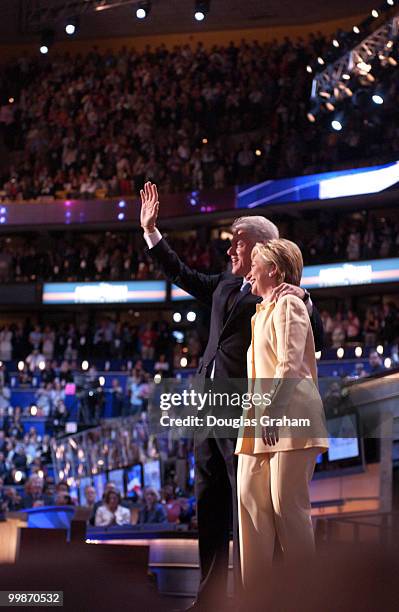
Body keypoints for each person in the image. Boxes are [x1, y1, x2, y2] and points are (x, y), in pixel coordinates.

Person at [140, 182, 324, 610]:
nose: (229, 250)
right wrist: (152, 233)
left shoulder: (281, 294)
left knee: (256, 507)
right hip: (208, 408)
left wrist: (306, 295)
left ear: (262, 245)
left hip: (247, 410)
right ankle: (208, 600)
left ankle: (262, 596)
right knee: (212, 503)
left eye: (236, 242)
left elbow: (305, 322)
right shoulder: (225, 285)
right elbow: (181, 274)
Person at [235, 239, 328, 593]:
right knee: (250, 504)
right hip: (259, 422)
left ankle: (308, 597)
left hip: (288, 417)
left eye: (254, 264)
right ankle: (254, 597)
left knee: (287, 510)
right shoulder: (261, 312)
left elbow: (291, 364)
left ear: (273, 268)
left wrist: (273, 410)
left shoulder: (290, 303)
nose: (249, 271)